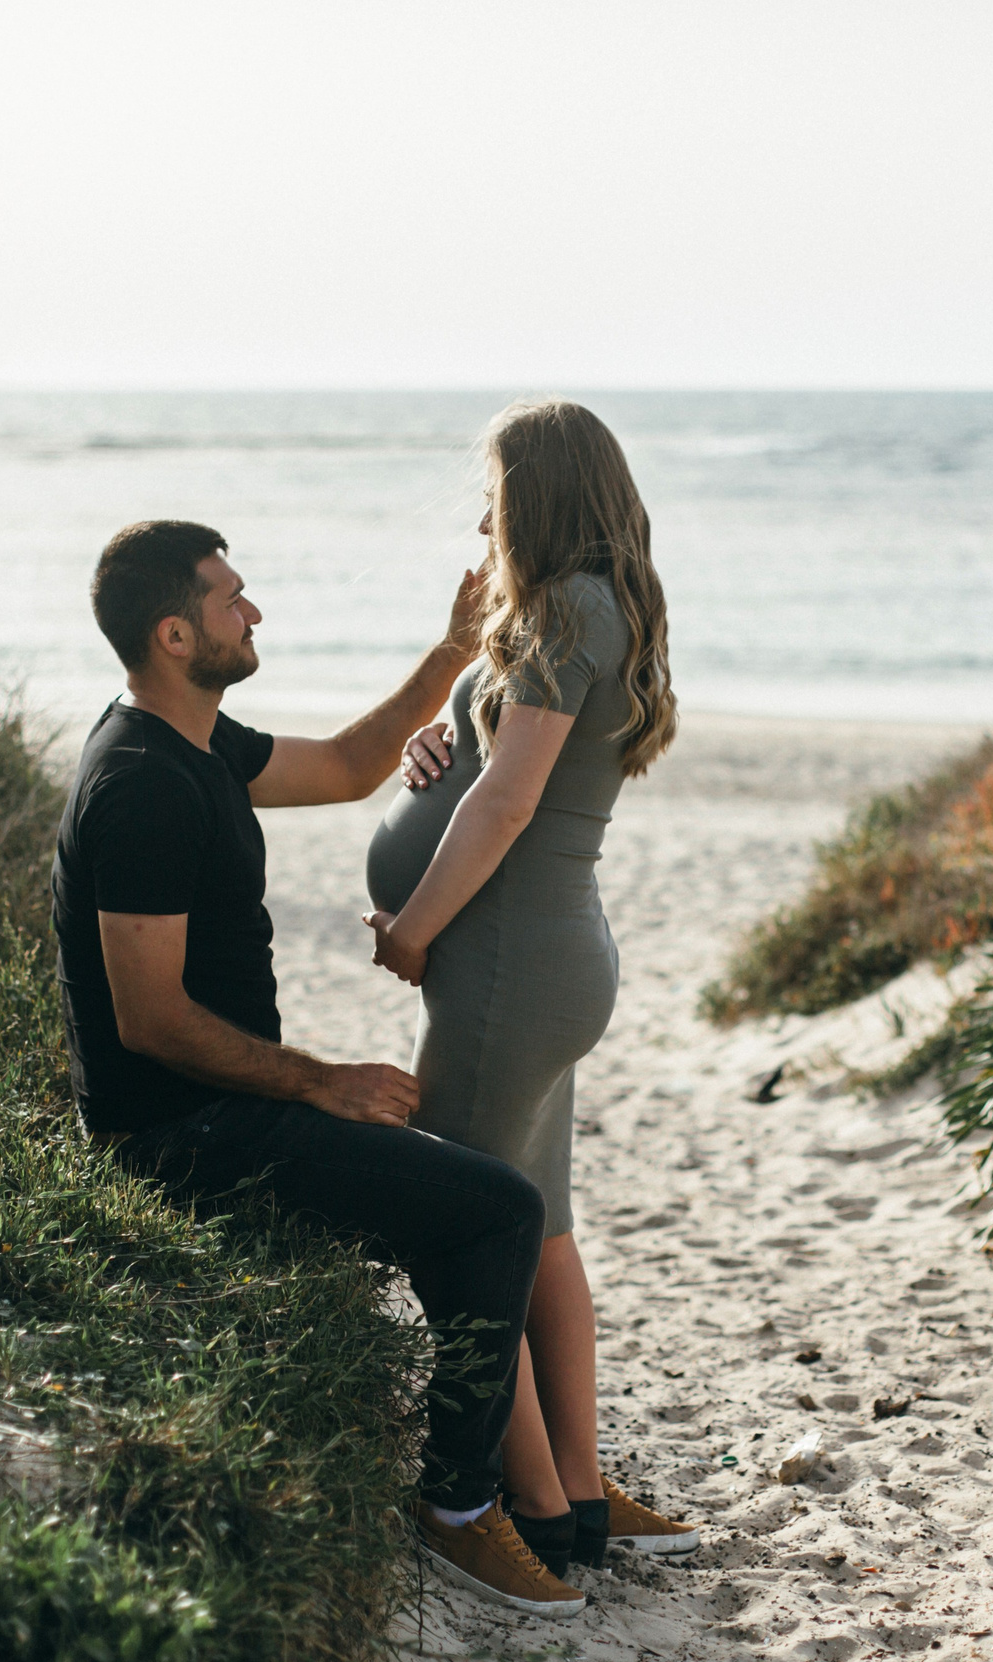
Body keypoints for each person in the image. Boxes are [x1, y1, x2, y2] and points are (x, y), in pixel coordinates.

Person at [51, 518, 583, 1618]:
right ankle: (456, 1510)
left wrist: (448, 653)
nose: (253, 613)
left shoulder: (198, 741)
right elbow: (147, 1020)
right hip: (180, 1135)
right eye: (230, 599)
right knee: (498, 1212)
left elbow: (348, 767)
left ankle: (530, 1497)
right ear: (173, 633)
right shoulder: (140, 782)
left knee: (461, 1202)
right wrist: (316, 1080)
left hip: (229, 1109)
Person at [362, 401, 700, 1579]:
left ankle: (537, 1511)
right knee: (541, 1228)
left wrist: (411, 930)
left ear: (537, 501)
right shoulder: (597, 606)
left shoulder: (565, 610)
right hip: (547, 959)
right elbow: (503, 775)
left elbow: (508, 808)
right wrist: (438, 747)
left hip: (507, 969)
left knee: (462, 1235)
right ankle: (581, 1490)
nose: (479, 518)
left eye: (494, 499)